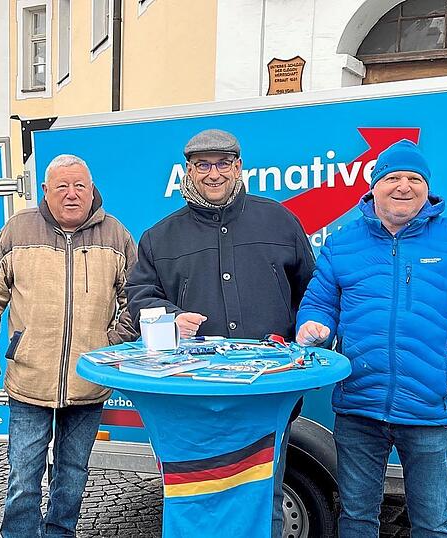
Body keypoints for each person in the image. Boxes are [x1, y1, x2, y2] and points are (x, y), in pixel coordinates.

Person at [295, 139, 447, 537]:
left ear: (428, 188)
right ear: (374, 185)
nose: (404, 186)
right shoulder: (342, 242)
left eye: (414, 178)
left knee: (431, 522)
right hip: (359, 407)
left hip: (428, 407)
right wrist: (314, 327)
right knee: (356, 519)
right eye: (393, 177)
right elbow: (319, 303)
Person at [125, 128, 315, 537]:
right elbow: (139, 295)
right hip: (193, 395)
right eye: (203, 165)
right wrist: (171, 316)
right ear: (187, 172)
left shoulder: (279, 220)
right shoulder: (159, 236)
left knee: (266, 494)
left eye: (223, 164)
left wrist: (305, 338)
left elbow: (311, 291)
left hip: (267, 393)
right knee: (196, 499)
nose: (214, 174)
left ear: (239, 167)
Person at [0, 154, 137, 537]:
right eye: (61, 186)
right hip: (29, 382)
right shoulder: (17, 230)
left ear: (92, 189)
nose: (71, 194)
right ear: (45, 191)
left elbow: (137, 299)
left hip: (88, 383)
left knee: (73, 476)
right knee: (22, 478)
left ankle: (61, 533)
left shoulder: (115, 235)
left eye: (79, 186)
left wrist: (108, 346)